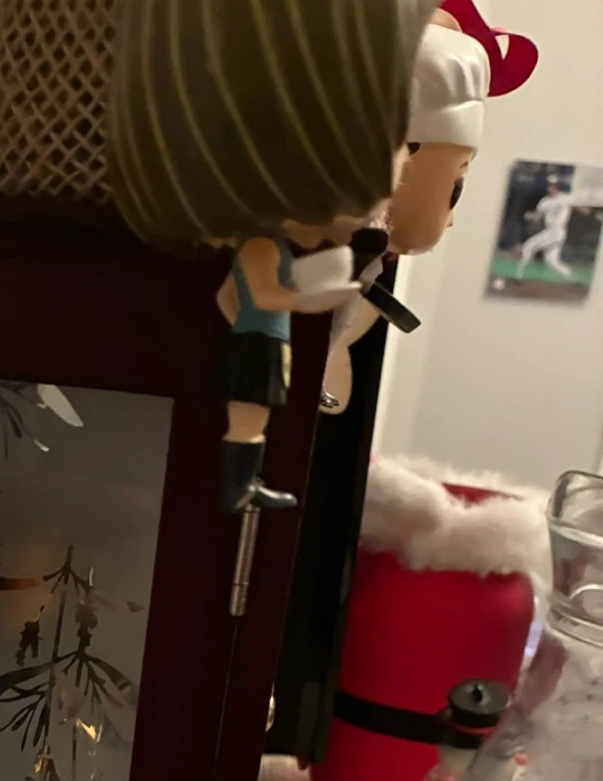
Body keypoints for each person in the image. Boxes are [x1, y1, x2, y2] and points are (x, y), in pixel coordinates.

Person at [107, 0, 436, 513]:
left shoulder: (266, 243)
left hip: (260, 341)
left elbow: (231, 296)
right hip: (261, 344)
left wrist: (250, 318)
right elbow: (263, 293)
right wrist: (307, 300)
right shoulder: (261, 244)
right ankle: (239, 482)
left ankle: (244, 480)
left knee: (253, 415)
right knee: (248, 415)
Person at [517, 178, 574, 280]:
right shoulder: (544, 202)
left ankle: (519, 276)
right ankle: (572, 278)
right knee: (551, 262)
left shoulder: (565, 198)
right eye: (550, 185)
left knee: (529, 245)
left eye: (554, 185)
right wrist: (531, 216)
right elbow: (538, 217)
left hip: (558, 230)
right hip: (550, 230)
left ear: (558, 187)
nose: (551, 187)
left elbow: (579, 204)